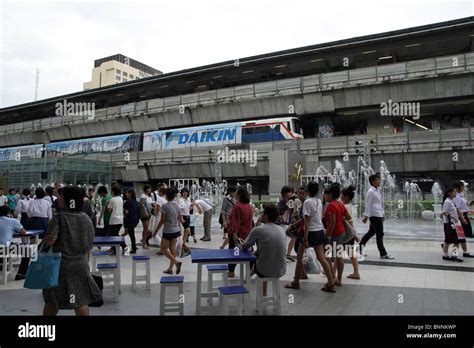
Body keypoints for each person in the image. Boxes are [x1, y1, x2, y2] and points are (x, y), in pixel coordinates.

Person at [42, 186, 102, 316]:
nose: (59, 199)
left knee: (52, 300)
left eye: (61, 197)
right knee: (80, 301)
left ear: (69, 199)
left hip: (59, 266)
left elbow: (50, 240)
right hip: (80, 264)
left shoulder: (59, 218)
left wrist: (44, 242)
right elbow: (90, 243)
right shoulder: (86, 218)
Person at [285, 181, 336, 292]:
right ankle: (331, 283)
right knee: (322, 258)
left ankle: (296, 282)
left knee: (299, 257)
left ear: (307, 191)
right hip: (319, 231)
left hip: (310, 232)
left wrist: (305, 237)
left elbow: (307, 221)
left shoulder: (307, 202)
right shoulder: (318, 201)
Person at [242, 204, 286, 296]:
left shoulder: (258, 229)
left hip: (265, 270)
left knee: (261, 263)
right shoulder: (281, 229)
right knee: (262, 257)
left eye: (262, 213)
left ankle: (260, 292)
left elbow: (244, 246)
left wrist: (253, 229)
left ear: (266, 215)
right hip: (281, 270)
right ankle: (249, 279)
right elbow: (266, 248)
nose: (260, 215)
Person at [360, 174, 394, 259]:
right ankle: (383, 253)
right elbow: (368, 204)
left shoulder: (377, 191)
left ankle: (359, 250)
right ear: (373, 182)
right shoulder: (370, 192)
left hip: (378, 214)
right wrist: (366, 216)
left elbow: (379, 204)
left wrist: (382, 214)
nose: (379, 181)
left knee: (371, 233)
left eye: (379, 179)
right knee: (380, 234)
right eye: (377, 180)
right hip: (374, 215)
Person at [323, 184, 350, 287]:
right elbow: (348, 217)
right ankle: (338, 279)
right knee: (339, 256)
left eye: (326, 194)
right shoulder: (340, 204)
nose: (325, 196)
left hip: (335, 234)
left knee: (326, 256)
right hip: (342, 232)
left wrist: (328, 236)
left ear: (330, 195)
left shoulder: (331, 206)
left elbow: (332, 223)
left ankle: (331, 278)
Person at [152, 188, 183, 275]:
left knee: (163, 248)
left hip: (168, 230)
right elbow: (179, 218)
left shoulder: (165, 206)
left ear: (166, 196)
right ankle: (170, 269)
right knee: (172, 249)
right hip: (176, 230)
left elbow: (162, 220)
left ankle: (176, 262)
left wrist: (156, 231)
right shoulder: (177, 205)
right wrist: (179, 229)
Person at [227, 188, 253, 278]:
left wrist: (234, 233)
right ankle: (252, 269)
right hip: (247, 233)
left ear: (240, 195)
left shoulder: (238, 206)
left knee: (234, 252)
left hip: (237, 235)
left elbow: (235, 222)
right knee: (248, 252)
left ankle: (231, 271)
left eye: (236, 193)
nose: (235, 195)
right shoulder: (249, 206)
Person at [0, 206, 31, 280]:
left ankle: (2, 264)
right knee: (27, 251)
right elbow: (23, 232)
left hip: (2, 247)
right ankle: (21, 273)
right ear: (8, 213)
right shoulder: (12, 221)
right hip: (5, 247)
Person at [340, 185, 361, 280]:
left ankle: (356, 273)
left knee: (340, 253)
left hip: (346, 233)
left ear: (347, 197)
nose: (341, 197)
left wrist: (354, 234)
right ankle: (356, 272)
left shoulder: (345, 207)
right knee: (348, 253)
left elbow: (349, 222)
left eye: (342, 196)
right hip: (349, 233)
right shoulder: (349, 206)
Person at [452, 181, 474, 258]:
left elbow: (462, 207)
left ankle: (465, 252)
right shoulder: (457, 196)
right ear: (458, 188)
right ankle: (454, 255)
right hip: (460, 218)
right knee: (458, 237)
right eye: (462, 186)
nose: (464, 188)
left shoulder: (460, 195)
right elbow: (458, 209)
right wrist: (462, 219)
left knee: (462, 236)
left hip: (463, 216)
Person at [441, 186, 463, 262]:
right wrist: (452, 218)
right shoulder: (447, 202)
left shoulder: (451, 201)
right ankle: (454, 256)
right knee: (456, 242)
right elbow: (444, 212)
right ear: (450, 193)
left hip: (449, 224)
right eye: (454, 192)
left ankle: (445, 255)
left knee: (447, 240)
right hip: (450, 224)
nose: (455, 193)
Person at [277, 186, 296, 261]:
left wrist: (292, 220)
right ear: (285, 193)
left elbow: (291, 211)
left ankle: (287, 254)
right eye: (289, 192)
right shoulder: (281, 201)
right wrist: (286, 205)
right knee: (283, 240)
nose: (291, 193)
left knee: (293, 238)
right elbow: (279, 211)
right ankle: (282, 256)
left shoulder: (290, 201)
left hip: (288, 223)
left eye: (291, 192)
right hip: (282, 223)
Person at [107, 186, 126, 254]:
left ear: (113, 192)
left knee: (114, 235)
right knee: (116, 234)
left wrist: (107, 204)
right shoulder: (121, 199)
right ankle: (114, 248)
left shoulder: (112, 200)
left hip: (114, 220)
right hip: (120, 219)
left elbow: (109, 210)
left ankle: (124, 247)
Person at [124, 189, 140, 254]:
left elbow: (126, 212)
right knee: (131, 233)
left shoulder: (128, 202)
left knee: (131, 234)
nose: (126, 194)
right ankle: (134, 246)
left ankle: (133, 247)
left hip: (130, 219)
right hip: (135, 219)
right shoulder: (136, 202)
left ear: (130, 194)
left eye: (127, 193)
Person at [179, 188, 192, 254]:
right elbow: (180, 210)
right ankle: (183, 243)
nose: (184, 193)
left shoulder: (188, 199)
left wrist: (191, 208)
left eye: (186, 192)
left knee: (186, 230)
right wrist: (181, 218)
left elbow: (189, 207)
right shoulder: (181, 200)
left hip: (187, 216)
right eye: (183, 192)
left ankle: (182, 244)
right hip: (183, 216)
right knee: (187, 230)